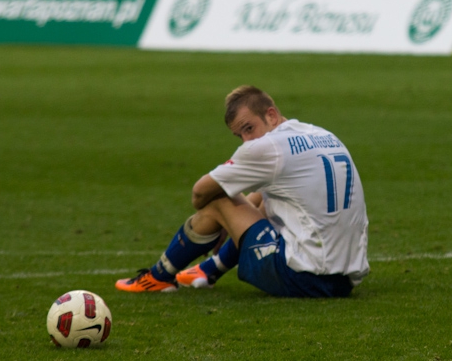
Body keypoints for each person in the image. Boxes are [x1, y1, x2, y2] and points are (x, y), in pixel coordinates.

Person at [116, 86, 369, 297]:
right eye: (240, 135)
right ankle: (207, 270)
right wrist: (239, 219)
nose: (247, 141)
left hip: (303, 277)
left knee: (218, 200)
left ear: (271, 115)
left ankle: (158, 277)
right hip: (345, 282)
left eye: (249, 128)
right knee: (262, 198)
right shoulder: (323, 134)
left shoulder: (267, 147)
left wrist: (225, 219)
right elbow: (270, 192)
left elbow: (199, 193)